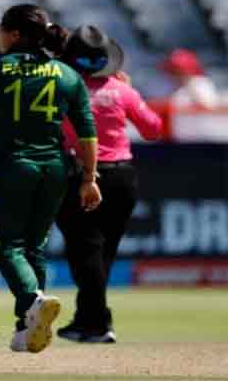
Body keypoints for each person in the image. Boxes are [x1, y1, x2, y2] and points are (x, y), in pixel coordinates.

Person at [0, 4, 101, 354]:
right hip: (55, 170)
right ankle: (26, 327)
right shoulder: (66, 74)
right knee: (34, 247)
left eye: (2, 30)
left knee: (5, 246)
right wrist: (90, 179)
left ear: (14, 34)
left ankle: (32, 300)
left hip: (9, 166)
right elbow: (87, 134)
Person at [55, 25, 162, 343]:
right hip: (121, 177)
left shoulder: (59, 87)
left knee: (85, 253)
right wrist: (130, 93)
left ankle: (97, 323)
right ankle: (87, 320)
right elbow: (153, 129)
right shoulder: (121, 90)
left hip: (80, 174)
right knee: (101, 254)